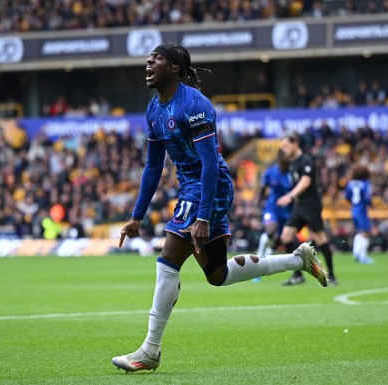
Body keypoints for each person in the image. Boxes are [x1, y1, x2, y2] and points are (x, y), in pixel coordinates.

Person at [111, 43, 328, 373]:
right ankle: (297, 259)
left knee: (169, 257)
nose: (148, 61)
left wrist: (202, 215)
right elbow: (153, 167)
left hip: (209, 184)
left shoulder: (195, 105)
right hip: (191, 186)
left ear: (174, 68)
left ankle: (149, 351)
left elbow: (211, 163)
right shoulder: (154, 109)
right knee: (217, 275)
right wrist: (136, 216)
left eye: (156, 57)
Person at [277, 134, 337, 286]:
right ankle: (298, 274)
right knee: (286, 237)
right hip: (300, 206)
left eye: (286, 146)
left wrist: (290, 196)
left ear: (295, 143)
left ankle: (332, 276)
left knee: (320, 238)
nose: (284, 149)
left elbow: (306, 181)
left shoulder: (306, 160)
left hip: (311, 206)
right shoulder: (292, 164)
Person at [255, 149, 293, 259]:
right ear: (280, 158)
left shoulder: (293, 173)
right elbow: (262, 189)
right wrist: (257, 204)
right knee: (271, 230)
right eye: (287, 156)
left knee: (282, 238)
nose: (289, 159)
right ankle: (259, 256)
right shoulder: (271, 172)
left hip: (287, 211)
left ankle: (268, 253)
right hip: (272, 208)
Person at [344, 164, 374, 264]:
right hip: (362, 210)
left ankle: (356, 252)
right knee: (365, 232)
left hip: (354, 210)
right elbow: (367, 197)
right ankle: (362, 255)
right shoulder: (366, 183)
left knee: (360, 231)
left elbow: (347, 196)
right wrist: (371, 204)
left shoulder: (350, 183)